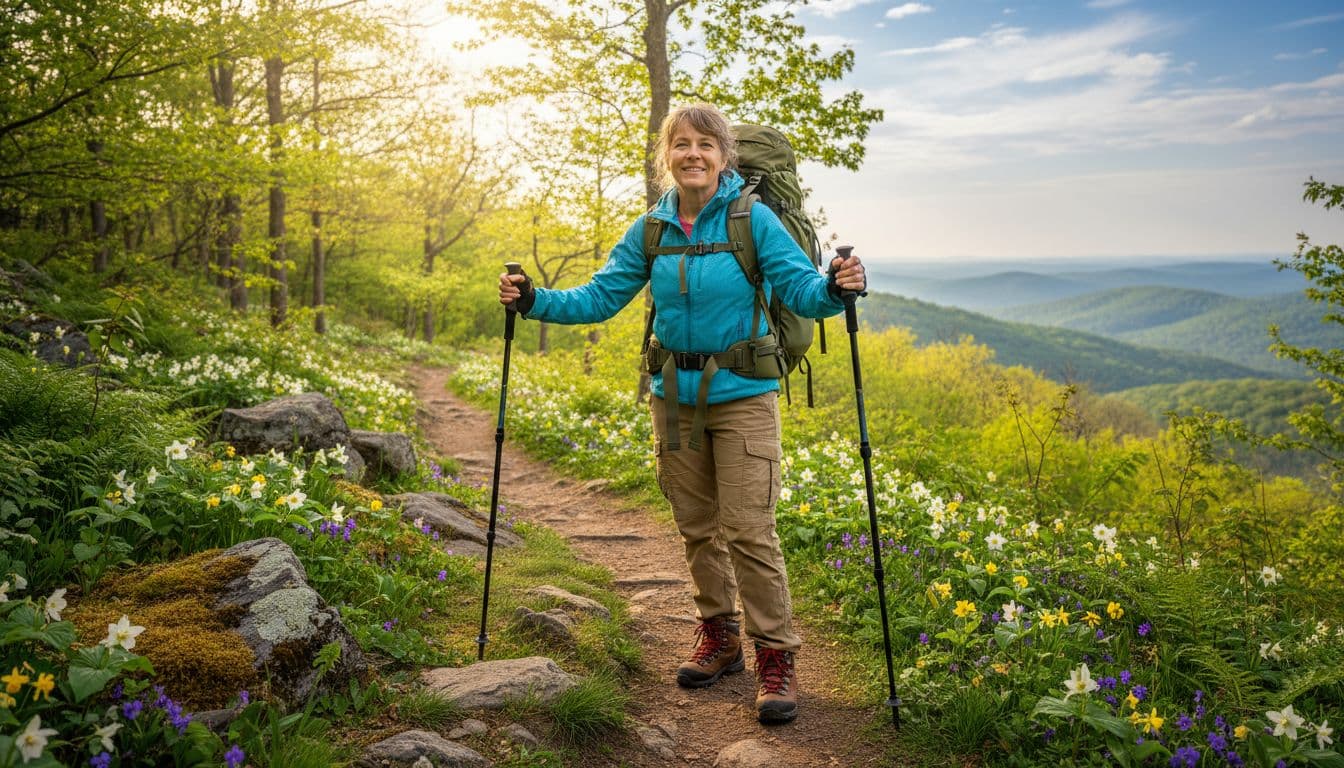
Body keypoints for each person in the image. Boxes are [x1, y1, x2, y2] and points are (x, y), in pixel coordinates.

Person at [498, 102, 866, 725]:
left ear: (724, 157)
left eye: (705, 144)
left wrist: (836, 287)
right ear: (666, 157)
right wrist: (534, 300)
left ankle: (775, 655)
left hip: (745, 397)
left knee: (750, 529)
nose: (692, 154)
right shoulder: (651, 230)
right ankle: (719, 636)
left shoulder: (756, 221)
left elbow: (800, 289)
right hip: (671, 397)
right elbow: (599, 297)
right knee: (696, 525)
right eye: (681, 144)